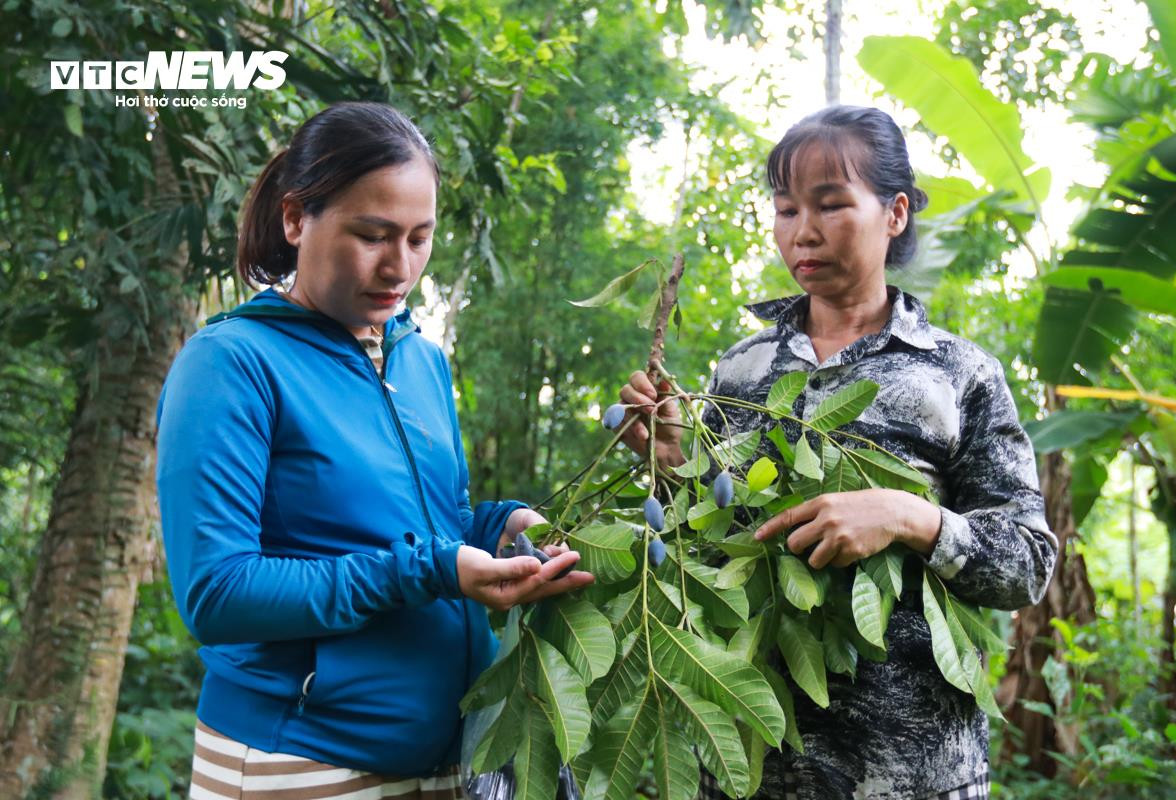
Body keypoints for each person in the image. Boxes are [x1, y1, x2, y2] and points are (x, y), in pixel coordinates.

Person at [156, 102, 593, 800]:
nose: (401, 266)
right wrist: (434, 570)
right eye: (373, 235)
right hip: (297, 762)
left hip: (443, 760)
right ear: (297, 219)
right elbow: (218, 593)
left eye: (421, 238)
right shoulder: (231, 363)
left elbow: (434, 530)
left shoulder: (421, 359)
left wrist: (504, 527)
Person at [618, 105, 1056, 799]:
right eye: (786, 209)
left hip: (911, 776)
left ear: (895, 213)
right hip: (753, 767)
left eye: (830, 204)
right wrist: (673, 463)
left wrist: (913, 518)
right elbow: (709, 549)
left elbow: (1029, 564)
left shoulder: (956, 375)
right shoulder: (740, 373)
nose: (803, 231)